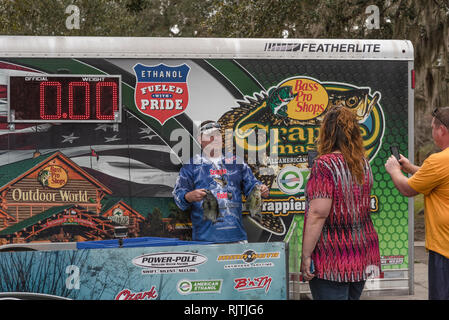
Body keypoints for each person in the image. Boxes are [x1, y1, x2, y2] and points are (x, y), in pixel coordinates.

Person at [300, 107, 381, 300]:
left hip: (332, 258)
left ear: (326, 132)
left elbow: (318, 213)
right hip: (362, 252)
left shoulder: (324, 165)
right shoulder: (363, 162)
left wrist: (306, 255)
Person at [385, 106, 449, 300]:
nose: (432, 132)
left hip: (444, 250)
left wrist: (394, 170)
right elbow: (438, 178)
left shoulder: (438, 161)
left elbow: (408, 189)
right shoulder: (439, 164)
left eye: (432, 127)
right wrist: (412, 168)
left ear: (442, 130)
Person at [172, 120, 269, 243]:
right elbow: (178, 197)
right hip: (204, 240)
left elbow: (252, 186)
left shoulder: (237, 162)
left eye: (217, 134)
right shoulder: (191, 166)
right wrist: (188, 197)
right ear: (200, 139)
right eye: (209, 135)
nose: (215, 138)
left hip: (236, 237)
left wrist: (261, 189)